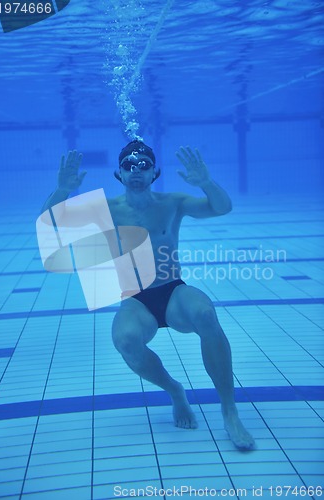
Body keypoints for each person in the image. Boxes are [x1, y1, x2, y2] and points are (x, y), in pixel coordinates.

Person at [41, 140, 255, 450]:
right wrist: (61, 190)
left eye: (143, 165)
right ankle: (174, 391)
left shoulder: (173, 202)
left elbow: (222, 207)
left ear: (155, 172)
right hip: (137, 300)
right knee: (126, 341)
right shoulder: (106, 210)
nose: (136, 170)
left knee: (206, 314)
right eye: (129, 165)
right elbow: (51, 223)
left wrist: (206, 182)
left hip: (173, 293)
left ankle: (229, 410)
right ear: (119, 173)